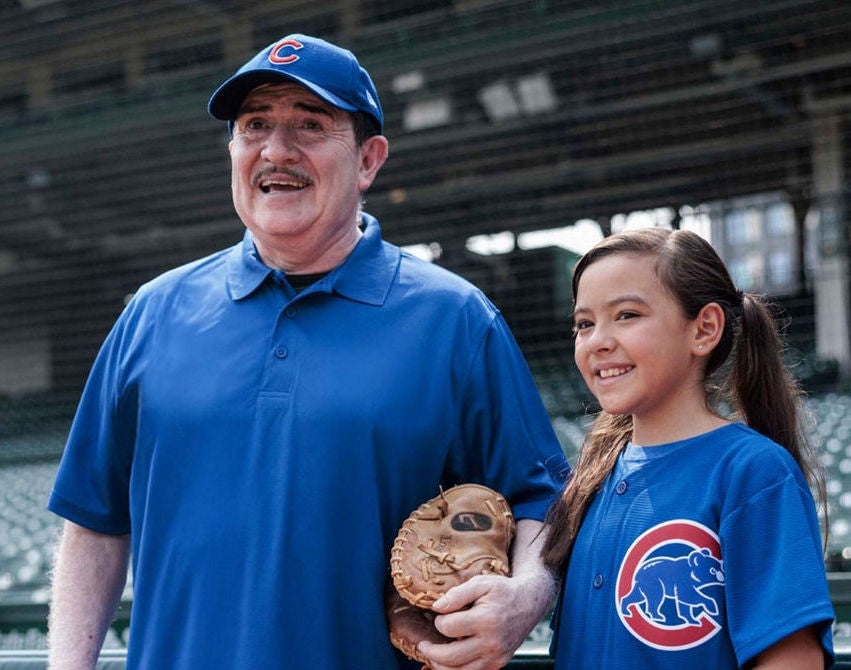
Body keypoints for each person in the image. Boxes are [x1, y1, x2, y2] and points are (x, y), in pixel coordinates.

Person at [46, 34, 567, 670]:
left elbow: (539, 498)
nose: (276, 150)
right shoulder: (151, 314)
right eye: (254, 125)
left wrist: (523, 598)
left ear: (369, 160)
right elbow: (95, 523)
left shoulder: (454, 318)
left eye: (310, 125)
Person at [541, 227, 835, 669]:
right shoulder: (590, 478)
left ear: (704, 329)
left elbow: (791, 660)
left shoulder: (752, 472)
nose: (597, 340)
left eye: (626, 315)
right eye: (584, 323)